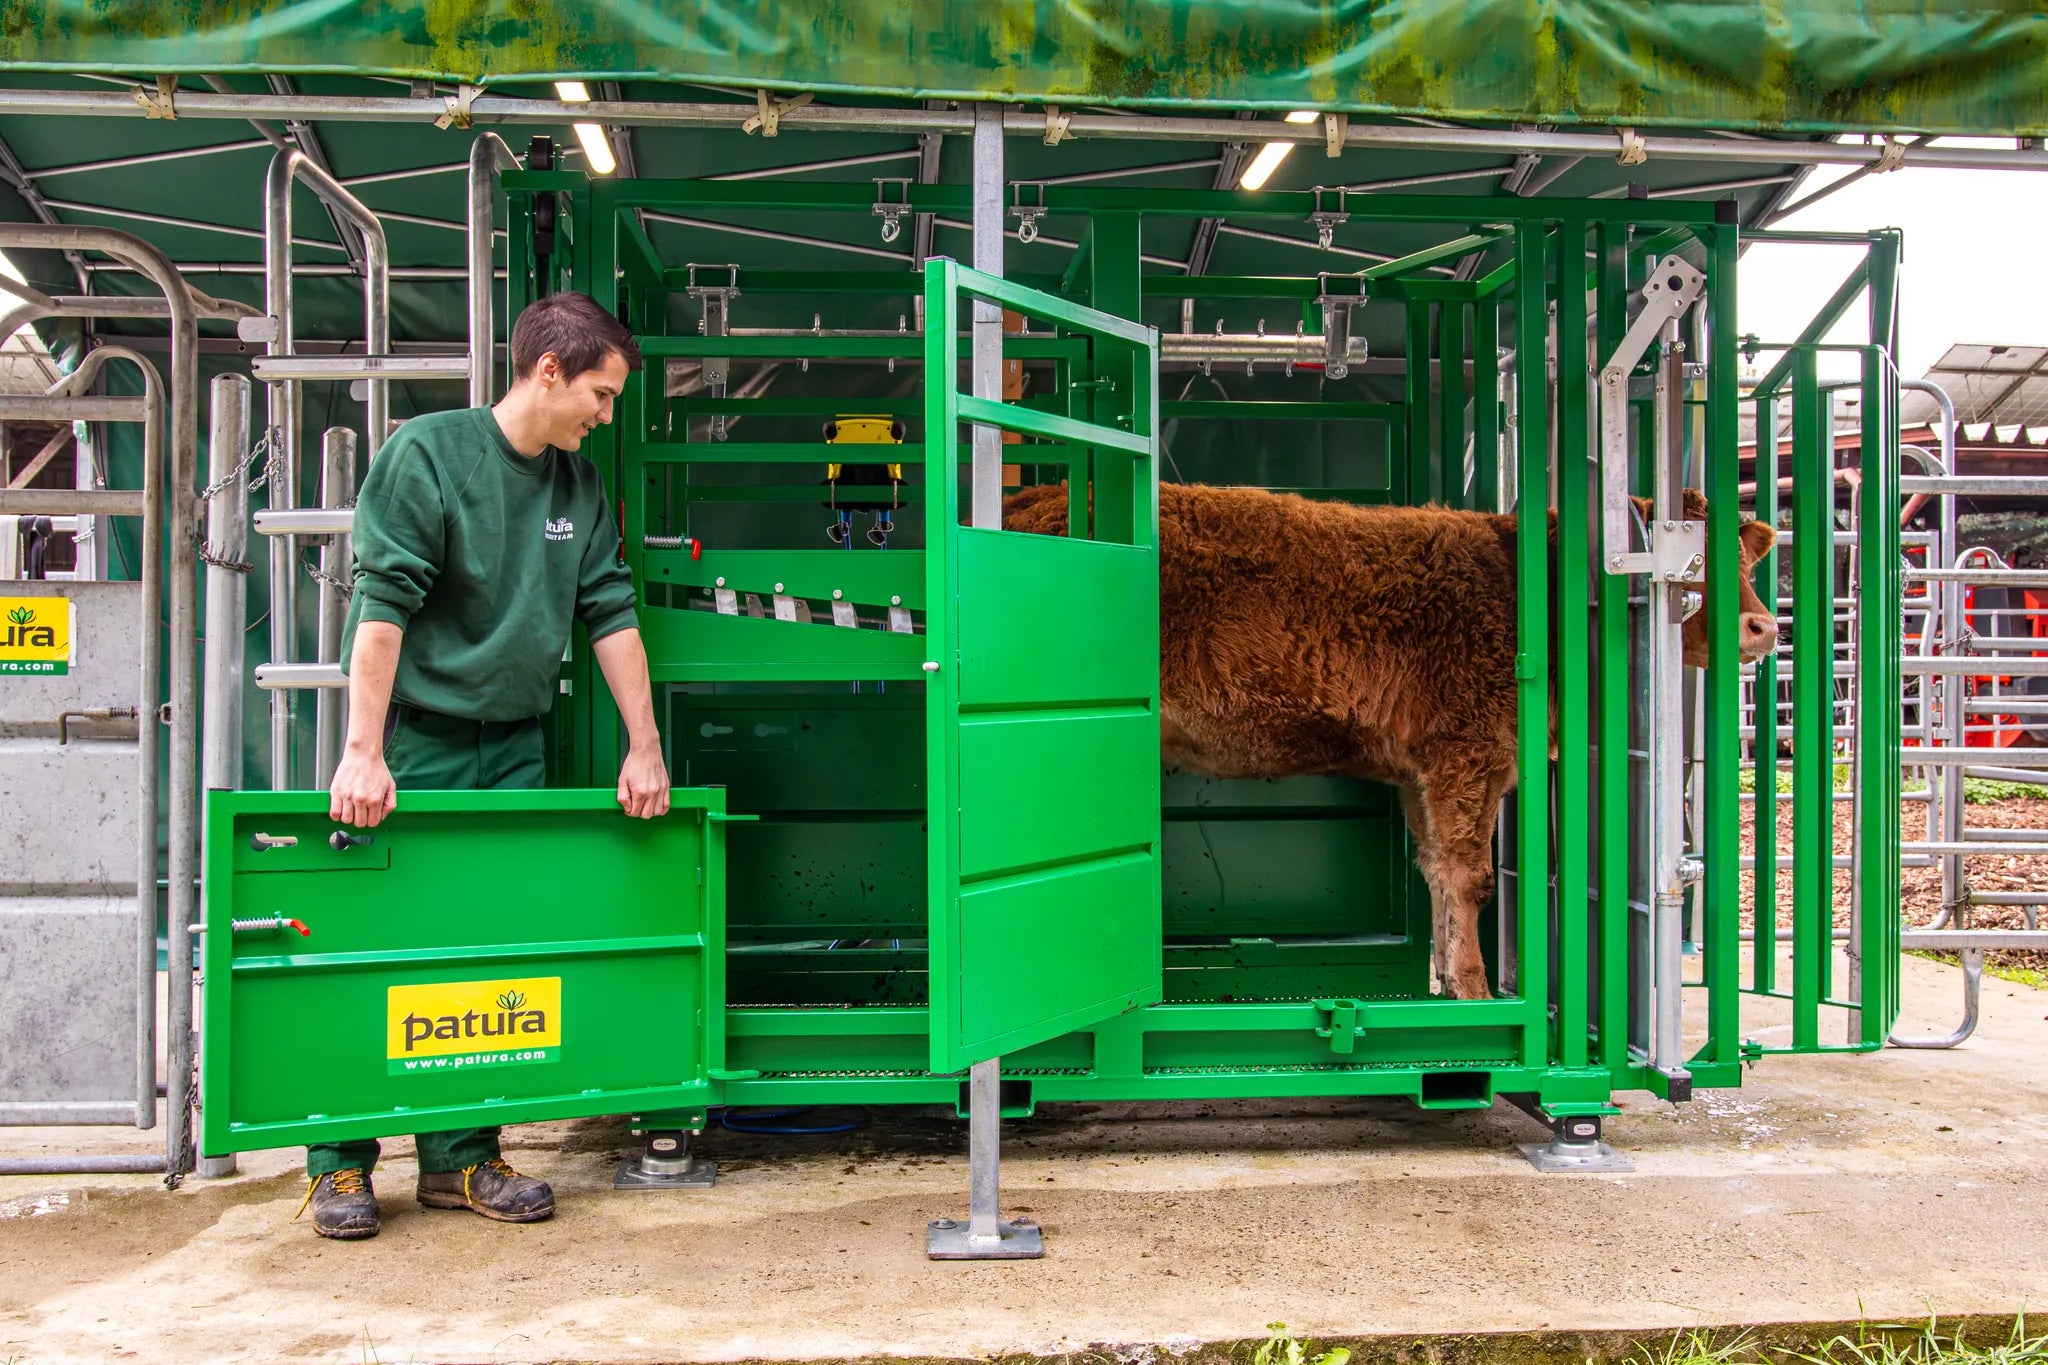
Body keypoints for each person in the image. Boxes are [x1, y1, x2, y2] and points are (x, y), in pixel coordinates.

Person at [305, 292, 670, 1240]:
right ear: (548, 370)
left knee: (488, 947)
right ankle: (340, 1159)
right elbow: (381, 609)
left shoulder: (576, 486)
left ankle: (461, 1158)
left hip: (512, 743)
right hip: (414, 737)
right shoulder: (428, 454)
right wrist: (363, 753)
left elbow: (611, 611)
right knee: (377, 941)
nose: (605, 415)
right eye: (600, 394)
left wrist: (645, 745)